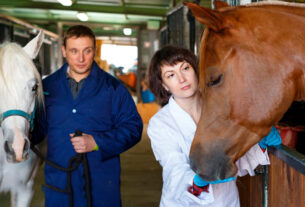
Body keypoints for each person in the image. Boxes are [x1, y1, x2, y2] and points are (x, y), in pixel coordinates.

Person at [147, 45, 281, 207]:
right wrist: (198, 182)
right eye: (171, 75)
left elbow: (233, 161)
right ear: (164, 85)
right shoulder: (161, 123)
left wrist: (257, 143)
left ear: (196, 70)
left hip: (226, 201)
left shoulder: (221, 110)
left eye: (185, 68)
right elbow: (174, 169)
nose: (182, 78)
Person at [31, 25, 143, 207]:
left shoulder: (113, 88)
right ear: (64, 51)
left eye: (87, 51)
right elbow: (37, 130)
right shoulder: (46, 88)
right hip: (60, 184)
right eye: (74, 51)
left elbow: (133, 128)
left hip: (101, 184)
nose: (81, 58)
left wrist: (97, 142)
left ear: (94, 51)